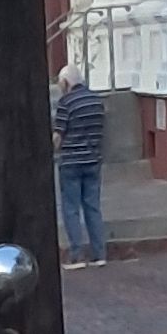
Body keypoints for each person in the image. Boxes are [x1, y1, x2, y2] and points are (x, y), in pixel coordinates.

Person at [52, 58, 108, 268]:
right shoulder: (96, 100)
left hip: (71, 162)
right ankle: (99, 253)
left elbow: (59, 135)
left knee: (71, 208)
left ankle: (77, 254)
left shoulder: (66, 103)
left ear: (66, 83)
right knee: (93, 207)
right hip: (93, 159)